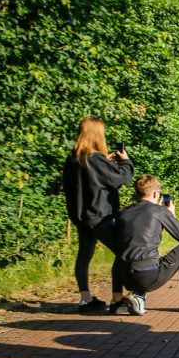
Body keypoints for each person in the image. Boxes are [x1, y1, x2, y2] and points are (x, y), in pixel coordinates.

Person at [62, 116, 134, 313]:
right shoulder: (96, 159)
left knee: (84, 255)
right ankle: (117, 299)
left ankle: (85, 299)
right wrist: (126, 162)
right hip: (100, 216)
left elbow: (90, 179)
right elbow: (119, 178)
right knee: (123, 251)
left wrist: (107, 162)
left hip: (80, 217)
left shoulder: (73, 159)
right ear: (97, 134)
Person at [111, 175, 179, 315]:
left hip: (126, 277)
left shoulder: (122, 212)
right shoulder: (159, 211)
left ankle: (119, 301)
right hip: (148, 276)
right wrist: (171, 215)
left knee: (122, 252)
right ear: (155, 193)